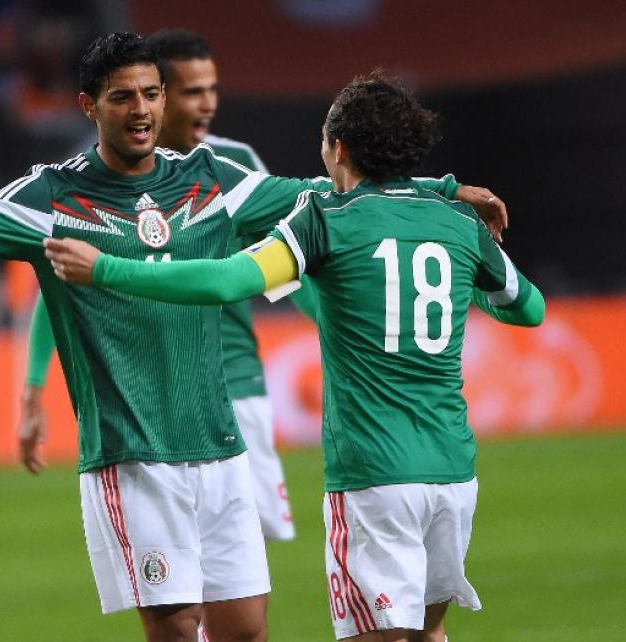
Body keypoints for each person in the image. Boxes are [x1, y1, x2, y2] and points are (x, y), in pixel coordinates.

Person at [0, 33, 505, 640]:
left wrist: (442, 190)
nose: (141, 110)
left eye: (152, 94)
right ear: (89, 105)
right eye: (123, 96)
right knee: (176, 626)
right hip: (132, 454)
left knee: (246, 627)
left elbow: (328, 193)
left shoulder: (212, 179)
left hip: (220, 445)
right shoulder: (51, 197)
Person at [42, 71, 545, 642]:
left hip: (374, 476)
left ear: (340, 149)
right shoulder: (458, 223)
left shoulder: (325, 220)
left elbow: (229, 280)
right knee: (430, 633)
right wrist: (462, 276)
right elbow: (528, 309)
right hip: (453, 473)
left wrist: (106, 268)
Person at [19, 28, 304, 542]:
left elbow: (299, 253)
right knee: (180, 557)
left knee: (251, 542)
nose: (208, 104)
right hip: (145, 396)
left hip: (231, 381)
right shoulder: (95, 180)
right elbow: (58, 279)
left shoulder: (230, 166)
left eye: (212, 90)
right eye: (194, 91)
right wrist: (34, 385)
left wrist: (338, 335)